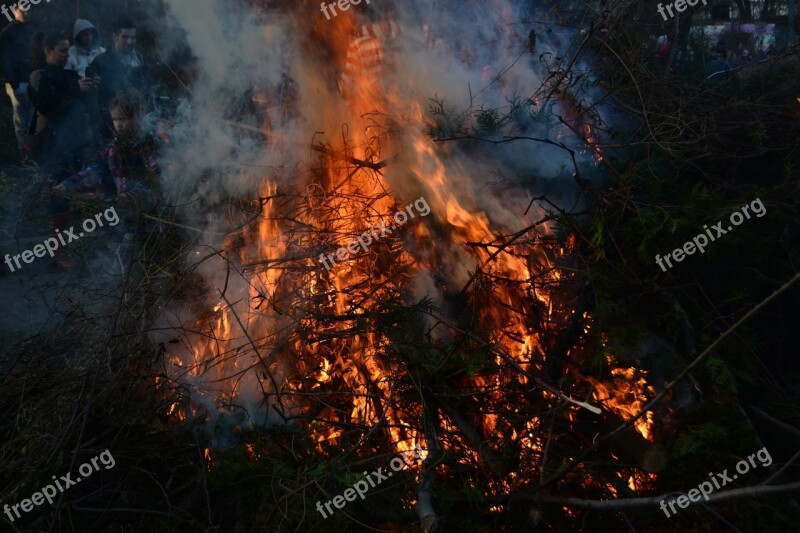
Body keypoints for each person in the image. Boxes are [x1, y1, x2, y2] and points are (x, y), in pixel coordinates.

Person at [28, 30, 97, 268]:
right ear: (48, 51)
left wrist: (89, 89)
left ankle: (63, 250)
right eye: (62, 50)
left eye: (68, 50)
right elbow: (48, 107)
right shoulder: (39, 76)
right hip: (53, 145)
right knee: (58, 193)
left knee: (67, 194)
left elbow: (82, 107)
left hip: (73, 142)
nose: (67, 55)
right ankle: (59, 253)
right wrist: (77, 90)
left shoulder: (68, 75)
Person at [54, 91, 162, 238]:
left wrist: (132, 195)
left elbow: (155, 180)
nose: (119, 125)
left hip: (150, 218)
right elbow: (97, 170)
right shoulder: (113, 149)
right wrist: (67, 185)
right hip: (124, 218)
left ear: (137, 117)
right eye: (115, 119)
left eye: (123, 119)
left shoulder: (149, 146)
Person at [89, 17, 152, 138]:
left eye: (133, 37)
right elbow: (97, 101)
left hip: (136, 126)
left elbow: (146, 91)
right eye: (125, 37)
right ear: (114, 37)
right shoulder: (101, 62)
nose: (130, 42)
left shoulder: (140, 60)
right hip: (109, 127)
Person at [0, 5, 36, 152]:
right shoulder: (7, 33)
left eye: (28, 10)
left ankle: (32, 152)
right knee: (21, 120)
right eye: (23, 10)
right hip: (17, 81)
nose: (26, 13)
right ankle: (24, 153)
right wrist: (14, 84)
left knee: (32, 119)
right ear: (15, 10)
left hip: (31, 80)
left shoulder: (32, 30)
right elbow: (3, 59)